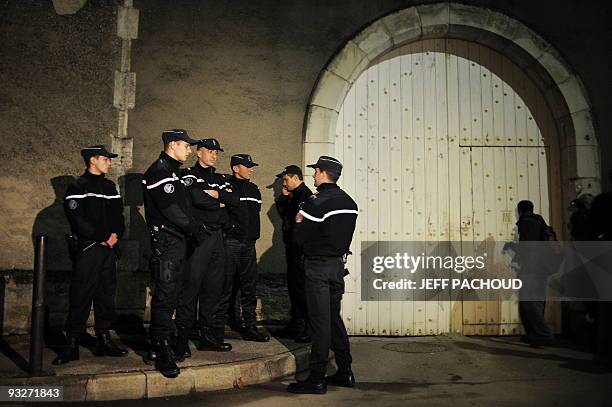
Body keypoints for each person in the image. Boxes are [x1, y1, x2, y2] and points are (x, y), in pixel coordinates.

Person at [287, 156, 358, 395]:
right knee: (332, 319)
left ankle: (316, 378)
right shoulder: (349, 201)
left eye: (315, 171)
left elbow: (298, 238)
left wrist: (298, 221)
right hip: (337, 267)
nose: (313, 176)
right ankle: (345, 371)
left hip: (317, 268)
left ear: (321, 172)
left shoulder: (315, 202)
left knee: (319, 323)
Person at [142, 129, 208, 378]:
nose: (190, 150)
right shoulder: (159, 171)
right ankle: (161, 348)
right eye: (186, 146)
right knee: (166, 293)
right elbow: (171, 210)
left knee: (175, 292)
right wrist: (195, 229)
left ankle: (162, 342)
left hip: (178, 242)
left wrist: (192, 231)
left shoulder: (173, 172)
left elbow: (184, 207)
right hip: (168, 243)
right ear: (172, 145)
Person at [53, 145, 127, 365]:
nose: (109, 162)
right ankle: (72, 344)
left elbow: (119, 216)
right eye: (105, 159)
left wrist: (115, 236)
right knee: (81, 295)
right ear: (92, 160)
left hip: (109, 249)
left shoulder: (109, 186)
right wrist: (103, 236)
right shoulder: (77, 186)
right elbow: (78, 219)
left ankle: (104, 340)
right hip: (88, 248)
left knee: (106, 295)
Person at [176, 138, 237, 357]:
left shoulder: (219, 178)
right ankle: (181, 341)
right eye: (210, 151)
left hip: (218, 237)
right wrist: (221, 201)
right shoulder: (188, 175)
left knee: (213, 288)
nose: (214, 155)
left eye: (216, 152)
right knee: (190, 288)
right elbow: (197, 199)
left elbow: (236, 199)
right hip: (200, 237)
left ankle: (208, 338)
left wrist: (220, 196)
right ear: (198, 152)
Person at [219, 154, 270, 342]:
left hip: (249, 244)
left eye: (251, 166)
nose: (251, 169)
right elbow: (220, 212)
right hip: (231, 242)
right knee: (226, 286)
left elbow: (253, 214)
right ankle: (220, 326)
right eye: (247, 166)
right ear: (235, 168)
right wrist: (229, 230)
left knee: (249, 286)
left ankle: (249, 326)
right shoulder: (226, 187)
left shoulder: (254, 189)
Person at [274, 165, 312, 341]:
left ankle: (304, 327)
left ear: (296, 177)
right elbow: (284, 215)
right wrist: (284, 195)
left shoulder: (304, 195)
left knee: (300, 289)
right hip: (293, 249)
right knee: (294, 287)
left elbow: (301, 224)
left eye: (286, 179)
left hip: (300, 250)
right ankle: (295, 323)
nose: (285, 183)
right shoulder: (294, 195)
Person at [514, 200, 556, 348]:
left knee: (529, 303)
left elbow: (528, 247)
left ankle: (544, 335)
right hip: (541, 268)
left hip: (532, 268)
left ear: (519, 210)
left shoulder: (527, 223)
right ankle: (534, 335)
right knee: (535, 302)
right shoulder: (540, 221)